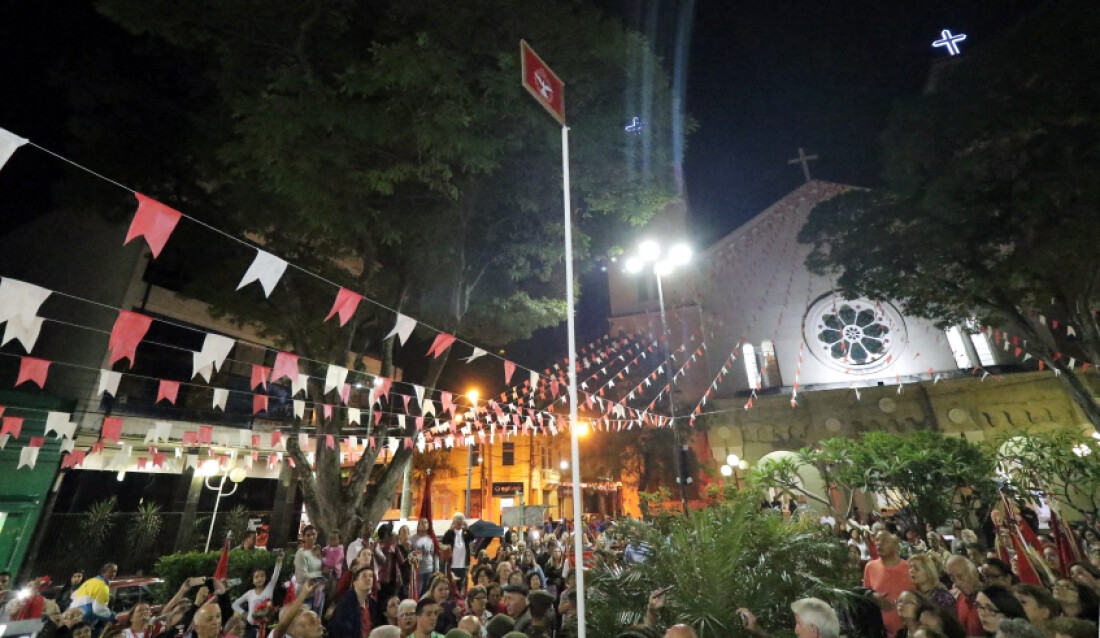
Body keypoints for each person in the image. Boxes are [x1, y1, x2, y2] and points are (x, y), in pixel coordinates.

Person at [863, 532, 915, 638]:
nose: (879, 543)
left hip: (908, 632)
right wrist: (873, 596)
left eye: (885, 540)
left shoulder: (910, 568)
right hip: (879, 631)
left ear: (896, 544)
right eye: (877, 540)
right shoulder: (870, 567)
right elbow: (864, 593)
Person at [232, 554, 284, 636]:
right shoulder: (250, 593)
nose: (259, 578)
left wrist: (279, 561)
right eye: (256, 577)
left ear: (266, 578)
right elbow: (235, 604)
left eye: (262, 576)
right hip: (250, 628)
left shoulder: (269, 588)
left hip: (264, 627)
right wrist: (243, 613)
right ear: (252, 581)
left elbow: (276, 574)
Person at [331, 566, 382, 638]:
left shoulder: (372, 604)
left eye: (371, 576)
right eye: (364, 576)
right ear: (354, 583)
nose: (368, 579)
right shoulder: (345, 605)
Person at [69, 563, 117, 631]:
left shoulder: (90, 581)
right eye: (111, 571)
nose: (114, 574)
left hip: (72, 618)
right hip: (84, 622)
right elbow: (98, 609)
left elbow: (73, 596)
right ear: (104, 571)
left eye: (115, 571)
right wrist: (112, 616)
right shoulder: (102, 586)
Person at [945, 555, 985, 637]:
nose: (957, 583)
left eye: (960, 576)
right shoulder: (960, 599)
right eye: (952, 578)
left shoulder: (990, 599)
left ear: (974, 573)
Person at [441, 515, 475, 594]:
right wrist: (450, 529)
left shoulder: (465, 532)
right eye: (457, 521)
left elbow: (472, 538)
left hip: (463, 564)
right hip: (452, 564)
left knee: (462, 584)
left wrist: (467, 528)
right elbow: (443, 542)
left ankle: (461, 597)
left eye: (461, 521)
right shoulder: (450, 532)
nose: (459, 524)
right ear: (454, 522)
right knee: (451, 583)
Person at [294, 526, 324, 612]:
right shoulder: (301, 554)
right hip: (305, 595)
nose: (311, 537)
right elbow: (301, 576)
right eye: (308, 535)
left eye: (313, 534)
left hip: (318, 593)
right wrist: (320, 574)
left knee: (317, 621)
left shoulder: (317, 551)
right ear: (303, 537)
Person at [411, 519, 438, 599]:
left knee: (427, 593)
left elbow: (434, 553)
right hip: (418, 570)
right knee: (417, 592)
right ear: (418, 525)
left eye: (425, 522)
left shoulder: (430, 539)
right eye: (421, 523)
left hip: (429, 569)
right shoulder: (413, 539)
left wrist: (436, 568)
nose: (423, 524)